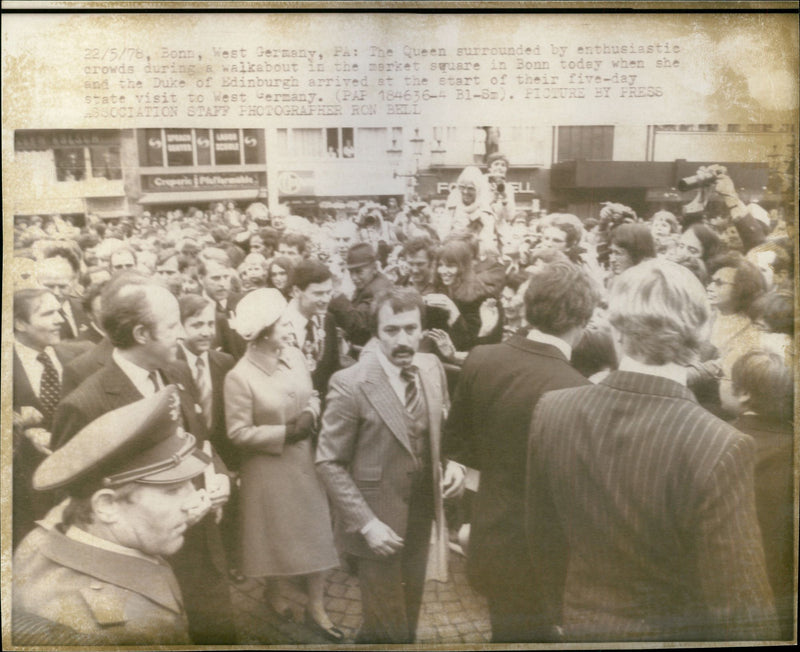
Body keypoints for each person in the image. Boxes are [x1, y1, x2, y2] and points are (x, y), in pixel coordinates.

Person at [525, 259, 778, 641]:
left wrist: (563, 614)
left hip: (582, 627)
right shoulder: (721, 444)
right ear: (700, 329)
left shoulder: (553, 409)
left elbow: (542, 536)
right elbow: (742, 607)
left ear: (616, 330)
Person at [50, 278, 235, 644]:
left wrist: (219, 475)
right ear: (141, 333)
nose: (182, 334)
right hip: (138, 571)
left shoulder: (178, 373)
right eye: (172, 326)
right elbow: (72, 496)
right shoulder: (86, 403)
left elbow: (199, 441)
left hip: (202, 555)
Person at [443, 261, 597, 642]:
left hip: (494, 538)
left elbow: (459, 446)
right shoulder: (578, 389)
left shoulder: (482, 359)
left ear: (528, 308)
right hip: (548, 556)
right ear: (583, 320)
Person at [316, 286, 466, 643]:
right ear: (375, 333)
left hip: (420, 515)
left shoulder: (431, 368)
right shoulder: (350, 384)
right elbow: (328, 462)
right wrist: (367, 524)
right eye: (391, 330)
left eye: (410, 329)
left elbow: (437, 430)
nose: (403, 340)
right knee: (388, 624)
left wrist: (453, 463)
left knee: (407, 613)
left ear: (421, 329)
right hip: (378, 522)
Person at [13, 388, 212, 645]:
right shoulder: (130, 627)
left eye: (190, 484)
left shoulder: (43, 536)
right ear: (106, 505)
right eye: (173, 490)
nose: (194, 501)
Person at [224, 289, 342, 641]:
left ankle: (317, 607)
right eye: (281, 323)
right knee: (275, 536)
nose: (289, 327)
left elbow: (313, 394)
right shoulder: (239, 376)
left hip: (307, 461)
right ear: (262, 334)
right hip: (269, 469)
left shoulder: (293, 354)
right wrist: (285, 432)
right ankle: (274, 593)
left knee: (318, 532)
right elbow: (237, 432)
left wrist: (311, 412)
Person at [725, 350, 794, 639]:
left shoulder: (722, 442)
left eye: (725, 379)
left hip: (734, 588)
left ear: (743, 394)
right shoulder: (790, 443)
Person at [12, 289, 88, 547]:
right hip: (27, 496)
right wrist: (22, 428)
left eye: (58, 311)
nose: (60, 319)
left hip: (80, 486)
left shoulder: (80, 355)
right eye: (48, 314)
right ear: (19, 323)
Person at [328, 242, 393, 349]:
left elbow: (358, 325)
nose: (354, 277)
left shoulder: (377, 290)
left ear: (375, 268)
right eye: (351, 272)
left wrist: (338, 296)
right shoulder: (372, 283)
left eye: (359, 272)